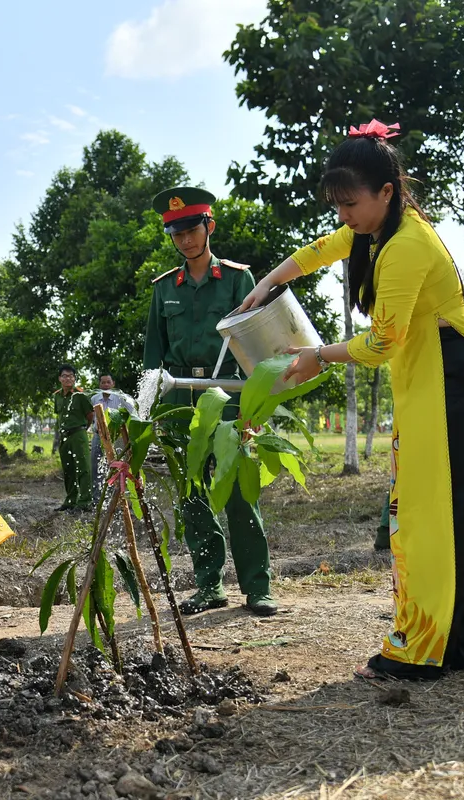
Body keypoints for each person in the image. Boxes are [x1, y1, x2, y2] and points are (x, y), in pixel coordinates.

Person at [240, 118, 464, 679]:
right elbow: (325, 247)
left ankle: (431, 649)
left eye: (350, 203)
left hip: (448, 375)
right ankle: (455, 648)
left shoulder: (404, 246)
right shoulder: (377, 230)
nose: (344, 216)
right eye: (337, 204)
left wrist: (316, 356)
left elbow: (381, 343)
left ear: (386, 192)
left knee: (433, 515)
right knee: (438, 514)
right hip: (434, 372)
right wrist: (268, 282)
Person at [143, 186, 277, 617]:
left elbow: (257, 349)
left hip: (232, 398)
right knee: (193, 495)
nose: (185, 240)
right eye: (175, 233)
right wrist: (152, 415)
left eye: (192, 229)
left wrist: (256, 409)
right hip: (182, 401)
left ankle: (257, 587)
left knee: (240, 492)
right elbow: (153, 355)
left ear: (209, 227)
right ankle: (208, 586)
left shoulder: (239, 280)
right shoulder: (164, 290)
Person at [54, 365, 94, 512]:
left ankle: (84, 501)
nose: (68, 378)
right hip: (64, 436)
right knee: (68, 469)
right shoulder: (57, 396)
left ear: (75, 378)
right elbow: (59, 415)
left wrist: (82, 429)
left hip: (79, 434)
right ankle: (70, 500)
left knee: (83, 467)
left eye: (71, 376)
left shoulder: (80, 395)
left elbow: (90, 415)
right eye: (64, 376)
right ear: (60, 378)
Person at [88, 374, 135, 486]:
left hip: (116, 437)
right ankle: (96, 498)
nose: (106, 385)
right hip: (98, 436)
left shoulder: (121, 398)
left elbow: (132, 412)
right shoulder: (94, 399)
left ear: (113, 383)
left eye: (108, 382)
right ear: (99, 384)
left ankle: (115, 495)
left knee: (115, 465)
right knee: (95, 465)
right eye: (103, 382)